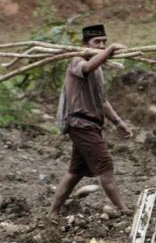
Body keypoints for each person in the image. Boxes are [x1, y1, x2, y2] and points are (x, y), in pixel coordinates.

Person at [49, 24, 133, 219]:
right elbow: (86, 67)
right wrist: (110, 50)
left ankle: (52, 213)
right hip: (81, 124)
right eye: (97, 42)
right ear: (85, 44)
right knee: (105, 164)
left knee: (75, 172)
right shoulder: (76, 61)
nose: (101, 45)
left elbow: (102, 100)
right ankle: (123, 209)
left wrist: (118, 122)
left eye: (104, 42)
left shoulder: (98, 69)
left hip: (92, 125)